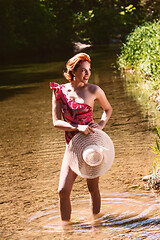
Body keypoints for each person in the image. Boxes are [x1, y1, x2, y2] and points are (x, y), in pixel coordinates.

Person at [50, 52, 112, 225]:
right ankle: (67, 230)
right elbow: (56, 122)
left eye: (89, 70)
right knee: (63, 190)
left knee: (93, 189)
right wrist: (77, 127)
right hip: (71, 146)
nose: (87, 74)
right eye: (83, 70)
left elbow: (108, 109)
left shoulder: (94, 90)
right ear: (73, 71)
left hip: (92, 146)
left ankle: (96, 226)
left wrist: (101, 124)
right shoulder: (58, 91)